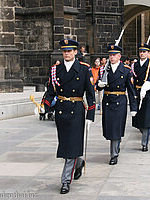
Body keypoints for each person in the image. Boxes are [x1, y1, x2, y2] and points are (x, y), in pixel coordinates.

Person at [45, 39, 95, 194]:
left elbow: (90, 94)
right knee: (66, 144)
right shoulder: (56, 70)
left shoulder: (84, 69)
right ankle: (78, 162)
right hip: (61, 111)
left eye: (69, 51)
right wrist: (44, 106)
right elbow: (51, 91)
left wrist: (90, 115)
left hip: (76, 111)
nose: (66, 53)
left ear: (75, 52)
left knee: (71, 145)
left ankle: (65, 181)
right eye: (64, 51)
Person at [96, 45, 137, 165]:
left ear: (119, 56)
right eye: (110, 55)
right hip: (108, 100)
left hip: (120, 101)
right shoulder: (104, 69)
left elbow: (131, 90)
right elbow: (98, 85)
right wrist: (100, 84)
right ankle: (116, 145)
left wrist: (133, 107)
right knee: (110, 129)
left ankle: (113, 154)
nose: (112, 57)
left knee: (116, 127)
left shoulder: (126, 70)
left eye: (114, 55)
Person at [132, 43, 150, 151]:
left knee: (146, 120)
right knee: (139, 119)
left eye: (144, 52)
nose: (142, 54)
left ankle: (144, 143)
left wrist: (146, 86)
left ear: (148, 53)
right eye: (141, 52)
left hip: (148, 94)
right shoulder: (135, 64)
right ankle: (144, 132)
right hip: (137, 93)